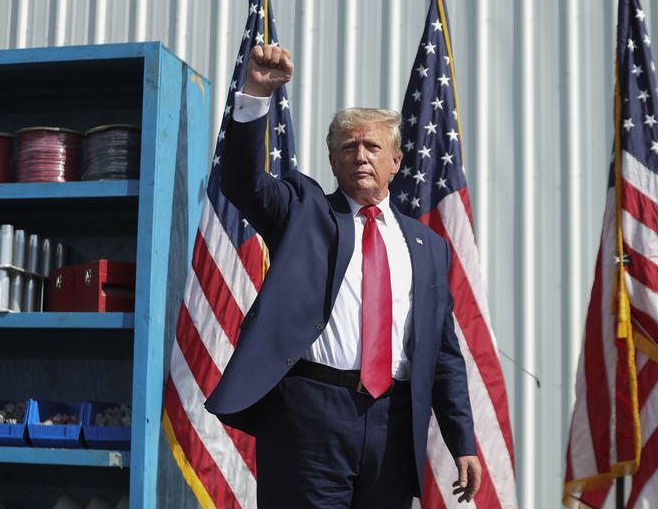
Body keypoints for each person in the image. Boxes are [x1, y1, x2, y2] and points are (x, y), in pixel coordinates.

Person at [205, 43, 482, 508]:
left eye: (373, 147)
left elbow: (444, 355)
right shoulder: (302, 211)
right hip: (310, 415)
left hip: (394, 423)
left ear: (396, 162)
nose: (360, 156)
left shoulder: (428, 246)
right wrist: (256, 93)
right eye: (348, 148)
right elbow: (241, 181)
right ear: (333, 162)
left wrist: (463, 442)